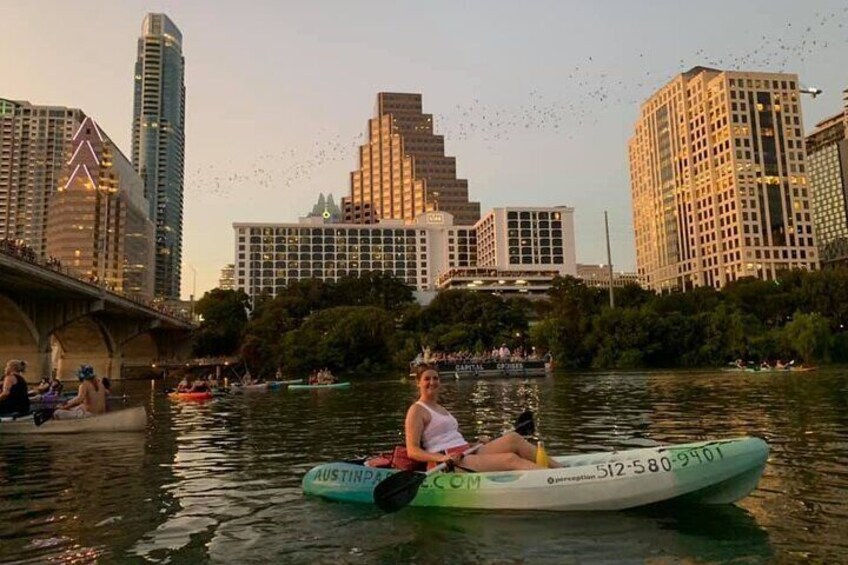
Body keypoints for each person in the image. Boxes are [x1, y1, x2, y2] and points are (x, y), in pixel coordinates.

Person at [404, 364, 558, 472]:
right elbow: (412, 451)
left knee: (513, 438)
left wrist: (474, 443)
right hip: (448, 463)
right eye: (427, 379)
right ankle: (551, 478)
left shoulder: (441, 408)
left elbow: (451, 438)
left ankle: (561, 470)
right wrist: (441, 458)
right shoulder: (416, 410)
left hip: (466, 451)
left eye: (435, 378)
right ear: (418, 383)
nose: (432, 382)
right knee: (509, 459)